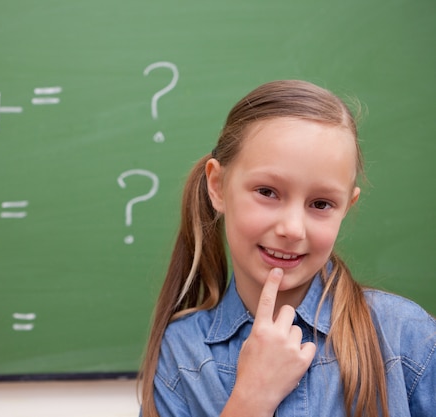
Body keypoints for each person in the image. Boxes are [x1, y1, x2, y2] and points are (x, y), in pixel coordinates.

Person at [138, 80, 436, 417]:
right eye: (267, 192)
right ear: (217, 186)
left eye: (321, 203)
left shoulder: (406, 337)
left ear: (347, 207)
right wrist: (250, 400)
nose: (292, 229)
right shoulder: (182, 354)